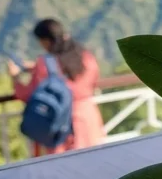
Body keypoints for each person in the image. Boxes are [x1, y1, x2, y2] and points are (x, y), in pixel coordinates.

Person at [9, 19, 104, 156]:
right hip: (89, 121)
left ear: (46, 41)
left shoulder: (45, 64)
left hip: (62, 124)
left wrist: (15, 78)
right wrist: (35, 68)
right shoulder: (85, 57)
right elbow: (89, 80)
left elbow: (28, 95)